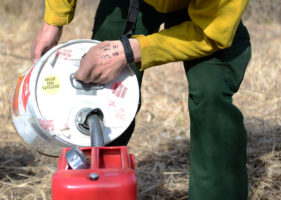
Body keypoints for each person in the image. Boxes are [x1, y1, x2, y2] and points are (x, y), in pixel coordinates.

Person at [31, 0, 251, 199]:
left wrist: (128, 50)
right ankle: (97, 189)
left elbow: (211, 33)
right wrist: (54, 20)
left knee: (211, 94)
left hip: (208, 15)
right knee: (98, 91)